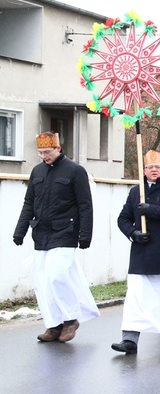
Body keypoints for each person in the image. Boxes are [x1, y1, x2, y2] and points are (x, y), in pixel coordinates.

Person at [13, 132, 99, 343]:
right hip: (41, 233)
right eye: (41, 153)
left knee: (57, 275)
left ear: (58, 148)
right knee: (43, 282)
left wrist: (85, 235)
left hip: (65, 233)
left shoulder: (76, 171)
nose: (44, 156)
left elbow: (85, 205)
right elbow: (28, 203)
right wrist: (20, 230)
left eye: (47, 152)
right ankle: (53, 324)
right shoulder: (37, 171)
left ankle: (70, 319)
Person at [111, 150, 160, 354]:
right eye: (149, 167)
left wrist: (151, 210)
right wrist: (133, 233)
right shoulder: (135, 191)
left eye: (158, 167)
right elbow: (123, 219)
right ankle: (130, 339)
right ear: (144, 170)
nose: (154, 170)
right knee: (135, 297)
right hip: (141, 254)